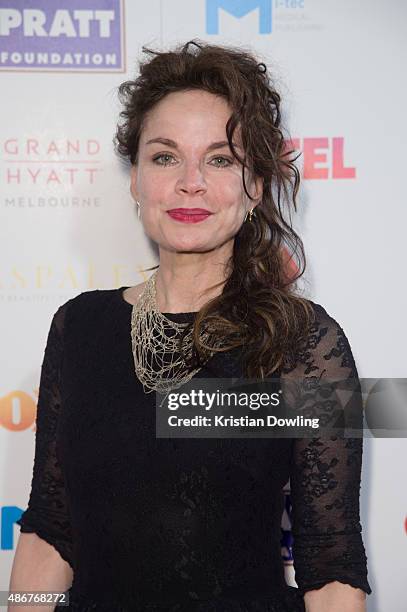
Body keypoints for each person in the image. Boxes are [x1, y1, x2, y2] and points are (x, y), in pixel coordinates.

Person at [9, 40, 371, 611]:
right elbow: (51, 523)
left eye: (220, 159)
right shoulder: (77, 327)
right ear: (135, 180)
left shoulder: (309, 343)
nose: (190, 182)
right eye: (164, 156)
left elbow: (332, 561)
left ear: (255, 184)